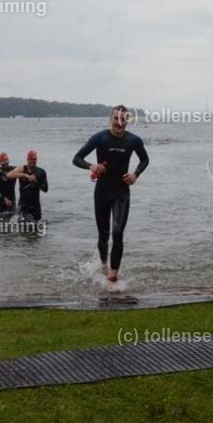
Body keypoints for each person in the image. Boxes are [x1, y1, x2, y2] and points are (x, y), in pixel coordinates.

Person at [73, 105, 149, 287]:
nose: (120, 123)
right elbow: (77, 158)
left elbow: (145, 160)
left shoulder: (134, 141)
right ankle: (104, 266)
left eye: (124, 119)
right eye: (116, 119)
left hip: (121, 192)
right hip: (102, 191)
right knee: (103, 235)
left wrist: (135, 175)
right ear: (111, 119)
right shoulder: (100, 138)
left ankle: (112, 278)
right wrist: (91, 166)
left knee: (117, 233)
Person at [8, 149, 48, 222]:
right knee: (21, 226)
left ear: (36, 161)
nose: (32, 164)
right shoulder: (22, 169)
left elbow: (45, 189)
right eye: (30, 161)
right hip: (23, 204)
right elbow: (9, 175)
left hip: (35, 204)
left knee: (36, 226)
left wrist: (35, 182)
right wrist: (24, 175)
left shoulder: (41, 172)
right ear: (27, 160)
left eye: (34, 161)